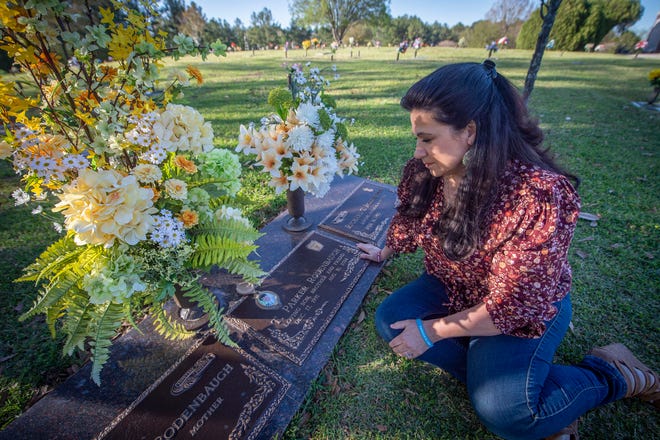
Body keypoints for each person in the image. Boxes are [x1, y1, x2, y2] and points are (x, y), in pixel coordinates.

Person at [357, 60, 659, 440]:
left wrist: (433, 331)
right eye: (417, 138)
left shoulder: (536, 195)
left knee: (506, 415)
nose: (418, 151)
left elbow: (511, 306)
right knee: (393, 320)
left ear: (469, 132)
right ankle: (502, 379)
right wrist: (385, 251)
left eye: (427, 138)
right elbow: (410, 216)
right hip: (451, 285)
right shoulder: (426, 172)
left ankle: (614, 373)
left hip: (521, 308)